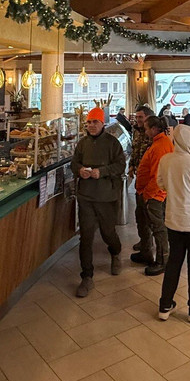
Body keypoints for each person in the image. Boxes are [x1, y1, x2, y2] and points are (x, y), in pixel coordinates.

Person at [155, 124, 190, 322]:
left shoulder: (166, 160)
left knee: (174, 261)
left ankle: (165, 304)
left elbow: (160, 183)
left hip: (173, 219)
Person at [71, 107, 126, 297]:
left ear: (103, 123)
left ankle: (115, 252)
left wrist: (101, 172)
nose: (91, 125)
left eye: (95, 122)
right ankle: (87, 276)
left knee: (107, 232)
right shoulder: (82, 144)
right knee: (85, 237)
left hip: (106, 196)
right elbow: (74, 163)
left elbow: (120, 165)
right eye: (89, 122)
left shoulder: (112, 143)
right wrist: (80, 170)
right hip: (86, 196)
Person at [134, 114, 173, 275]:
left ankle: (162, 261)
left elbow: (158, 175)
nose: (145, 132)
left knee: (158, 228)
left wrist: (147, 195)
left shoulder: (160, 146)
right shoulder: (158, 142)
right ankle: (146, 252)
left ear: (155, 129)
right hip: (148, 192)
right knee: (144, 223)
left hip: (154, 195)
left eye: (146, 129)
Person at [128, 105, 154, 260]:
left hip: (150, 180)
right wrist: (132, 165)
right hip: (139, 177)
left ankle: (148, 248)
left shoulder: (152, 134)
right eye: (136, 117)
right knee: (140, 214)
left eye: (141, 117)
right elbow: (135, 150)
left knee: (147, 215)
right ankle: (144, 242)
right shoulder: (136, 131)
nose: (138, 120)